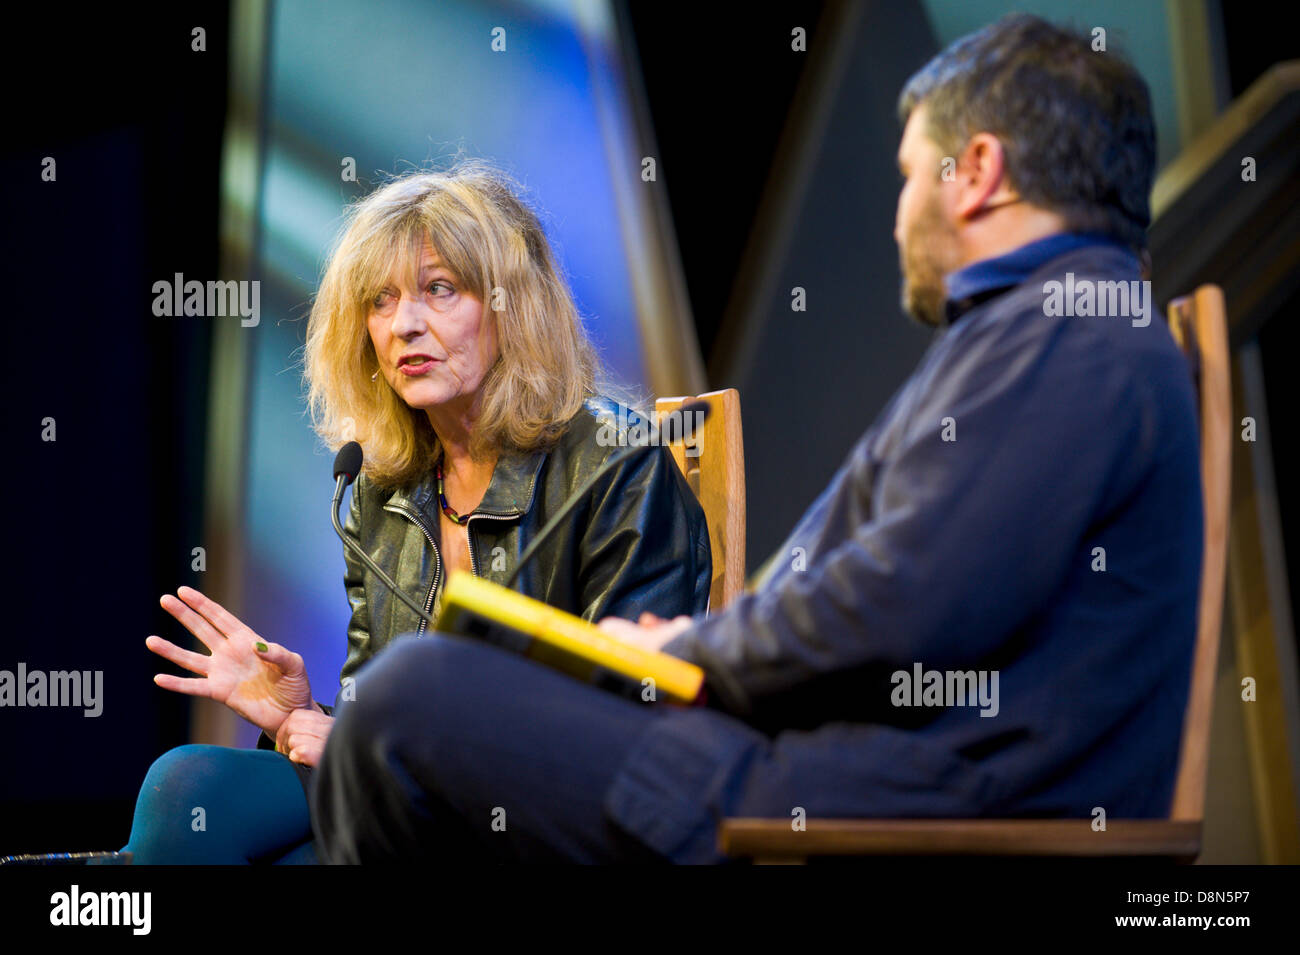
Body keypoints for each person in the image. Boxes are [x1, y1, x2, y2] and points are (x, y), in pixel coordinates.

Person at [309, 14, 1203, 864]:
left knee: (411, 698)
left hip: (904, 791)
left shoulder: (1066, 338)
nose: (897, 219)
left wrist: (681, 651)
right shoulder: (1054, 331)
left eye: (906, 175)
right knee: (402, 717)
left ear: (976, 171)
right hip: (856, 767)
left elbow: (898, 605)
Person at [121, 164, 712, 864]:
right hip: (409, 800)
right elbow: (379, 712)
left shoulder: (614, 462)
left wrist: (397, 750)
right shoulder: (384, 484)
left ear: (510, 306)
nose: (404, 324)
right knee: (186, 786)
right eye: (380, 300)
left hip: (537, 811)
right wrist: (302, 716)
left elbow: (632, 712)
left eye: (440, 289)